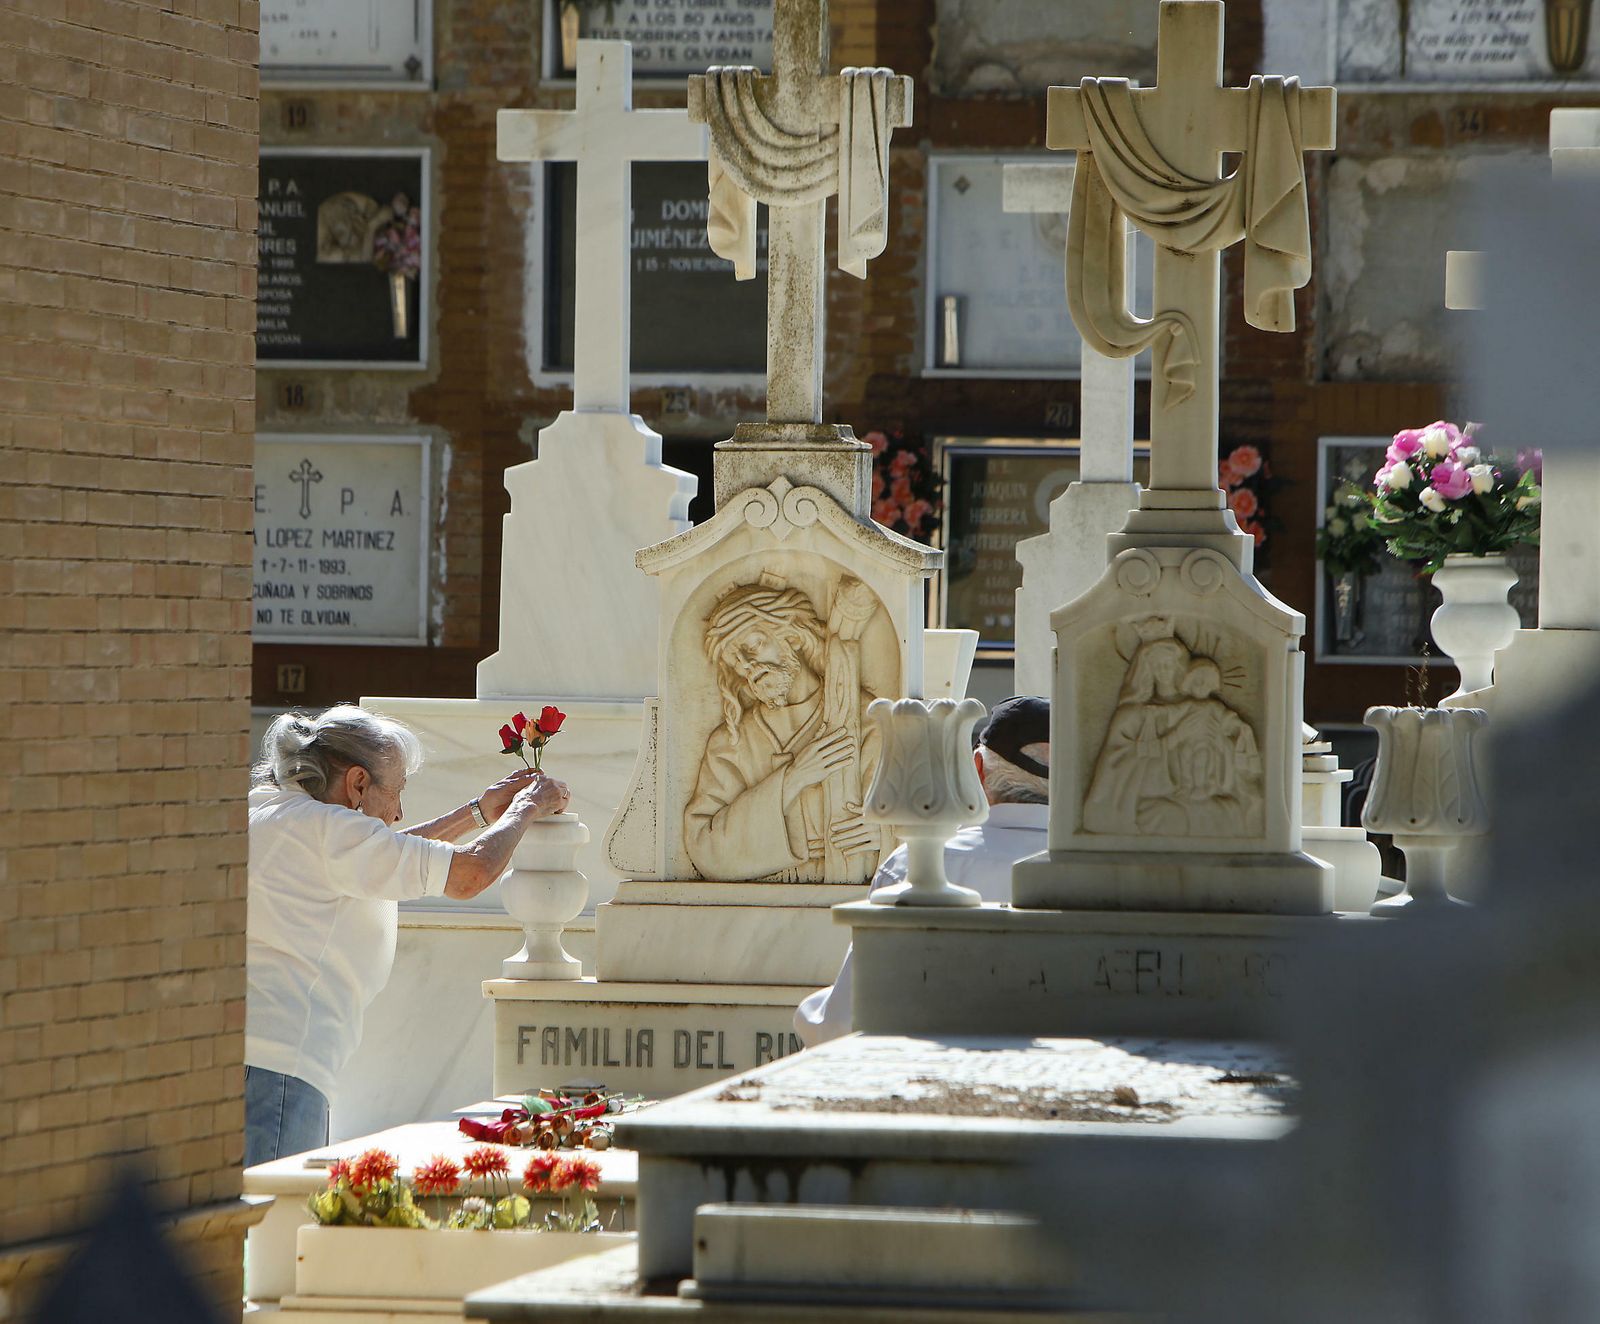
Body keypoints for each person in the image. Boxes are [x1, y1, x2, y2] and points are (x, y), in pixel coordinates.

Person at [245, 704, 570, 1166]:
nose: (398, 812)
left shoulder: (272, 810)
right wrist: (526, 808)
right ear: (358, 783)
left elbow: (379, 854)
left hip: (240, 1061)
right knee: (273, 1227)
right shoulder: (329, 832)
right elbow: (469, 875)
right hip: (280, 1069)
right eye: (396, 792)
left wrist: (475, 814)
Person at [793, 696, 1051, 1047]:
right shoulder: (1099, 872)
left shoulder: (913, 865)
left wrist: (808, 1011)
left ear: (977, 768)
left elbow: (843, 1022)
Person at [685, 576, 886, 883]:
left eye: (753, 644)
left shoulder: (867, 718)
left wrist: (887, 836)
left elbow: (921, 817)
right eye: (735, 660)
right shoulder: (730, 743)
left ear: (791, 635)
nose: (747, 665)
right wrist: (792, 780)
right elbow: (706, 849)